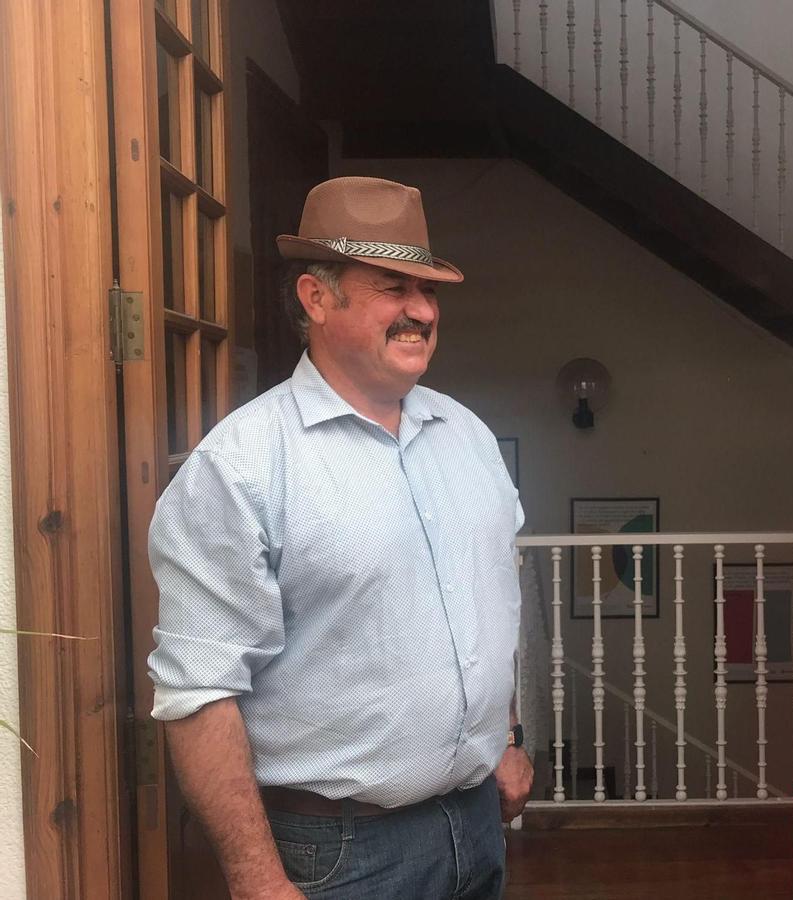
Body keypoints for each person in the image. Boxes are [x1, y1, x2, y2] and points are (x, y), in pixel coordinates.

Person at [147, 176, 532, 899]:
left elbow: (490, 610)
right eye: (392, 286)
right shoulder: (241, 468)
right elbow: (198, 691)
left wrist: (507, 741)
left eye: (428, 290)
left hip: (476, 825)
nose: (420, 310)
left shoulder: (469, 437)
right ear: (316, 298)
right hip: (340, 853)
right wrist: (258, 879)